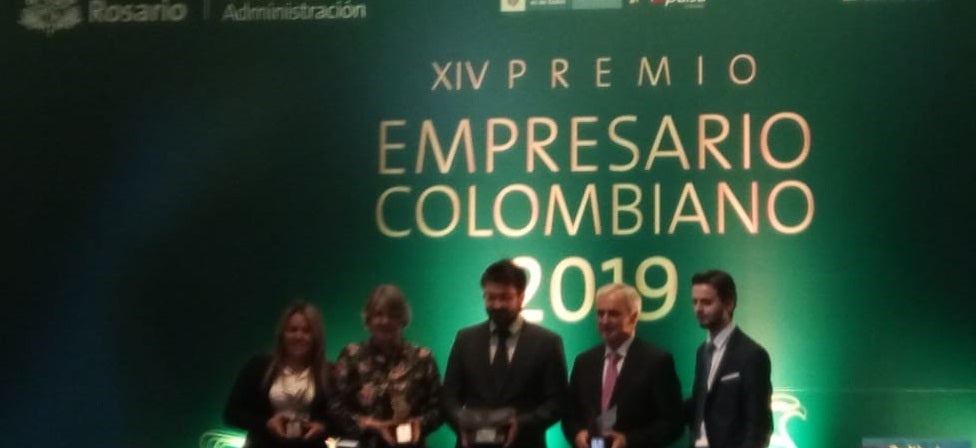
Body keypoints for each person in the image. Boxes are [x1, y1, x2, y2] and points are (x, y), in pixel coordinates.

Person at [442, 259, 568, 448]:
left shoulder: (547, 343)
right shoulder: (465, 339)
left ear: (521, 297)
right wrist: (461, 421)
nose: (497, 304)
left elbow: (558, 402)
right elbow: (448, 397)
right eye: (490, 297)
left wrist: (521, 424)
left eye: (505, 298)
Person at [562, 283, 684, 448]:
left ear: (633, 317)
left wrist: (629, 440)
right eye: (600, 313)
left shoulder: (657, 362)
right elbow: (569, 415)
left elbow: (673, 424)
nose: (604, 321)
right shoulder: (584, 361)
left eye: (613, 314)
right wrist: (577, 434)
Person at [333, 284, 444, 448]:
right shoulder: (351, 356)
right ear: (368, 319)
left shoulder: (423, 358)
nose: (385, 321)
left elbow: (440, 407)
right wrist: (370, 425)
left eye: (392, 315)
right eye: (378, 314)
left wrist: (419, 424)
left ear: (403, 319)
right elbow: (335, 407)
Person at [224, 301, 338, 448]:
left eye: (306, 331)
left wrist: (323, 427)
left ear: (316, 337)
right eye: (292, 330)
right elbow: (231, 414)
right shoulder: (259, 366)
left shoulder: (329, 373)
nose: (299, 336)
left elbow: (343, 420)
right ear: (282, 334)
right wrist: (266, 423)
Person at [686, 270, 772, 448]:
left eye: (706, 302)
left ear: (729, 303)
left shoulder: (752, 355)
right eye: (695, 302)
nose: (698, 309)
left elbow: (758, 426)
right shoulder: (702, 352)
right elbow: (701, 405)